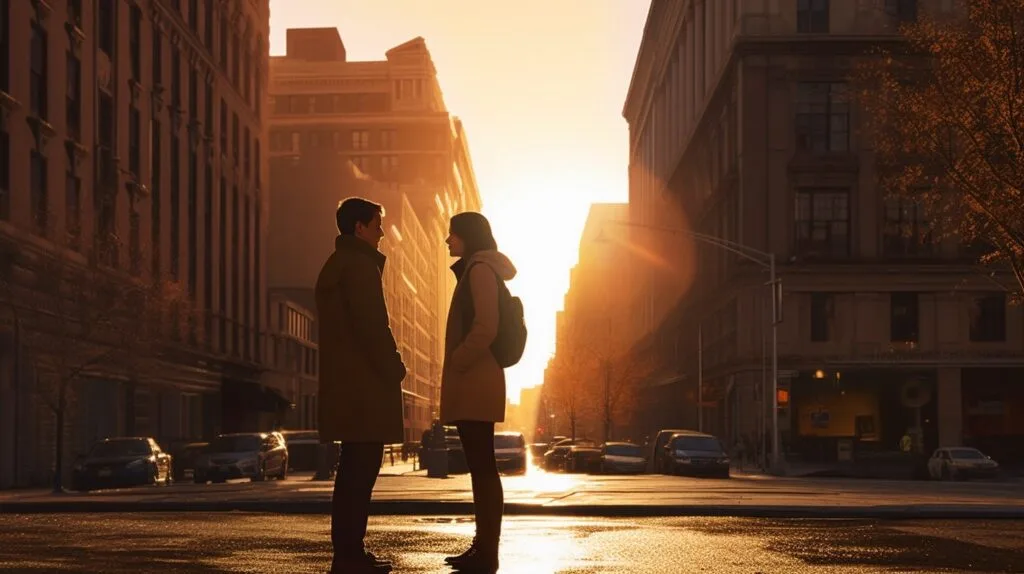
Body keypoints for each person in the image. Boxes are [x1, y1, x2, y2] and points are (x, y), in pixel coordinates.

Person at [316, 197, 407, 574]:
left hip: (348, 385)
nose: (382, 232)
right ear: (359, 227)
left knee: (351, 474)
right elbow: (373, 326)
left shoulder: (340, 263)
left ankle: (349, 553)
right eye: (376, 225)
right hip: (365, 388)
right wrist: (395, 367)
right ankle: (351, 556)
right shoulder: (359, 266)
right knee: (360, 474)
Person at [439, 212, 516, 573]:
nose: (448, 240)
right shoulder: (477, 269)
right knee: (481, 468)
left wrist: (459, 358)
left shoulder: (480, 270)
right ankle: (482, 547)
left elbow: (487, 326)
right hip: (476, 379)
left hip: (476, 379)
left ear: (468, 235)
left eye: (452, 234)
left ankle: (486, 551)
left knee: (483, 468)